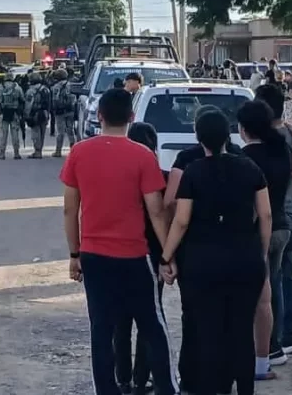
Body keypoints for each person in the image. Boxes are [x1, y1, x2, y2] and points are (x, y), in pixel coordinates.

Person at [61, 89, 177, 395]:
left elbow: (70, 208)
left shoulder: (79, 153)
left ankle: (108, 390)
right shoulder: (143, 156)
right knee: (152, 326)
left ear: (99, 116)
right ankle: (166, 388)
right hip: (134, 256)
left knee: (102, 329)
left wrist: (74, 254)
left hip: (93, 255)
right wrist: (167, 256)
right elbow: (156, 211)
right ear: (131, 117)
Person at [159, 109, 270, 395]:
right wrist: (261, 251)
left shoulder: (193, 171)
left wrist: (166, 256)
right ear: (228, 135)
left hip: (202, 262)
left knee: (208, 331)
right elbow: (266, 215)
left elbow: (182, 220)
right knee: (241, 330)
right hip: (245, 258)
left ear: (199, 138)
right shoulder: (249, 168)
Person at [239, 96, 292, 377]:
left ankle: (258, 352)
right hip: (283, 227)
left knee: (254, 297)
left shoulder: (244, 159)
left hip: (258, 232)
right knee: (273, 285)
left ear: (243, 128)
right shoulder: (281, 152)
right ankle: (275, 345)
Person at [254, 85, 292, 356]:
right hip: (291, 212)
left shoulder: (259, 139)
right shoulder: (291, 133)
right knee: (287, 274)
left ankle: (271, 341)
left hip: (272, 216)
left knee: (269, 278)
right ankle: (288, 334)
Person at [113, 122, 165, 395]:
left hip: (118, 254)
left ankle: (122, 378)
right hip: (151, 258)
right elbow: (162, 217)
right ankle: (142, 377)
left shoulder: (116, 175)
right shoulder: (160, 175)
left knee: (120, 322)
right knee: (149, 322)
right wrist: (168, 257)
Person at [0, 75, 25, 160]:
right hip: (14, 113)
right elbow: (22, 99)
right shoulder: (17, 88)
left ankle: (2, 153)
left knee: (3, 134)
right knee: (15, 134)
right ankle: (16, 153)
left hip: (3, 114)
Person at [50, 69, 78, 157]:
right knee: (71, 130)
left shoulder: (56, 87)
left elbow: (54, 99)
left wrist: (53, 109)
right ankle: (73, 149)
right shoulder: (71, 85)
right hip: (70, 110)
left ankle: (58, 151)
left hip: (60, 111)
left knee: (60, 131)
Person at [25, 72, 52, 158]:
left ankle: (37, 151)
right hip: (44, 113)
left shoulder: (30, 91)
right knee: (42, 132)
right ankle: (40, 150)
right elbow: (49, 103)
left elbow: (28, 105)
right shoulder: (46, 89)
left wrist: (26, 115)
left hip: (35, 113)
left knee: (35, 133)